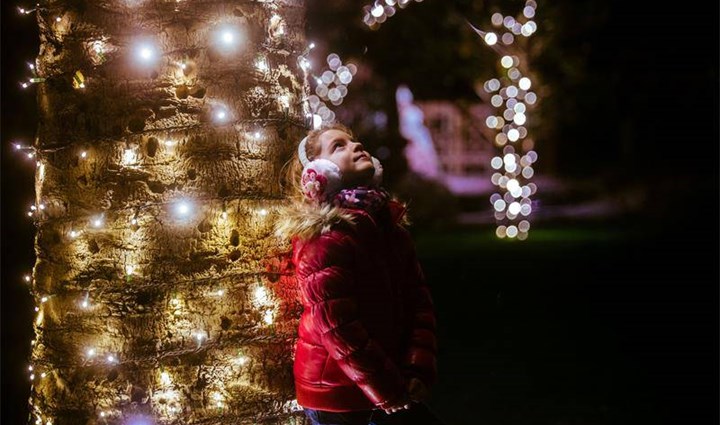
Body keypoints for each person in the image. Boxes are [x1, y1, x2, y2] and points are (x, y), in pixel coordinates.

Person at [275, 123, 445, 425]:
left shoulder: (389, 230)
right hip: (340, 397)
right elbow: (338, 327)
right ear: (321, 172)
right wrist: (387, 388)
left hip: (390, 384)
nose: (355, 146)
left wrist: (417, 367)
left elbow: (419, 302)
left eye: (354, 140)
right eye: (338, 146)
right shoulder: (325, 238)